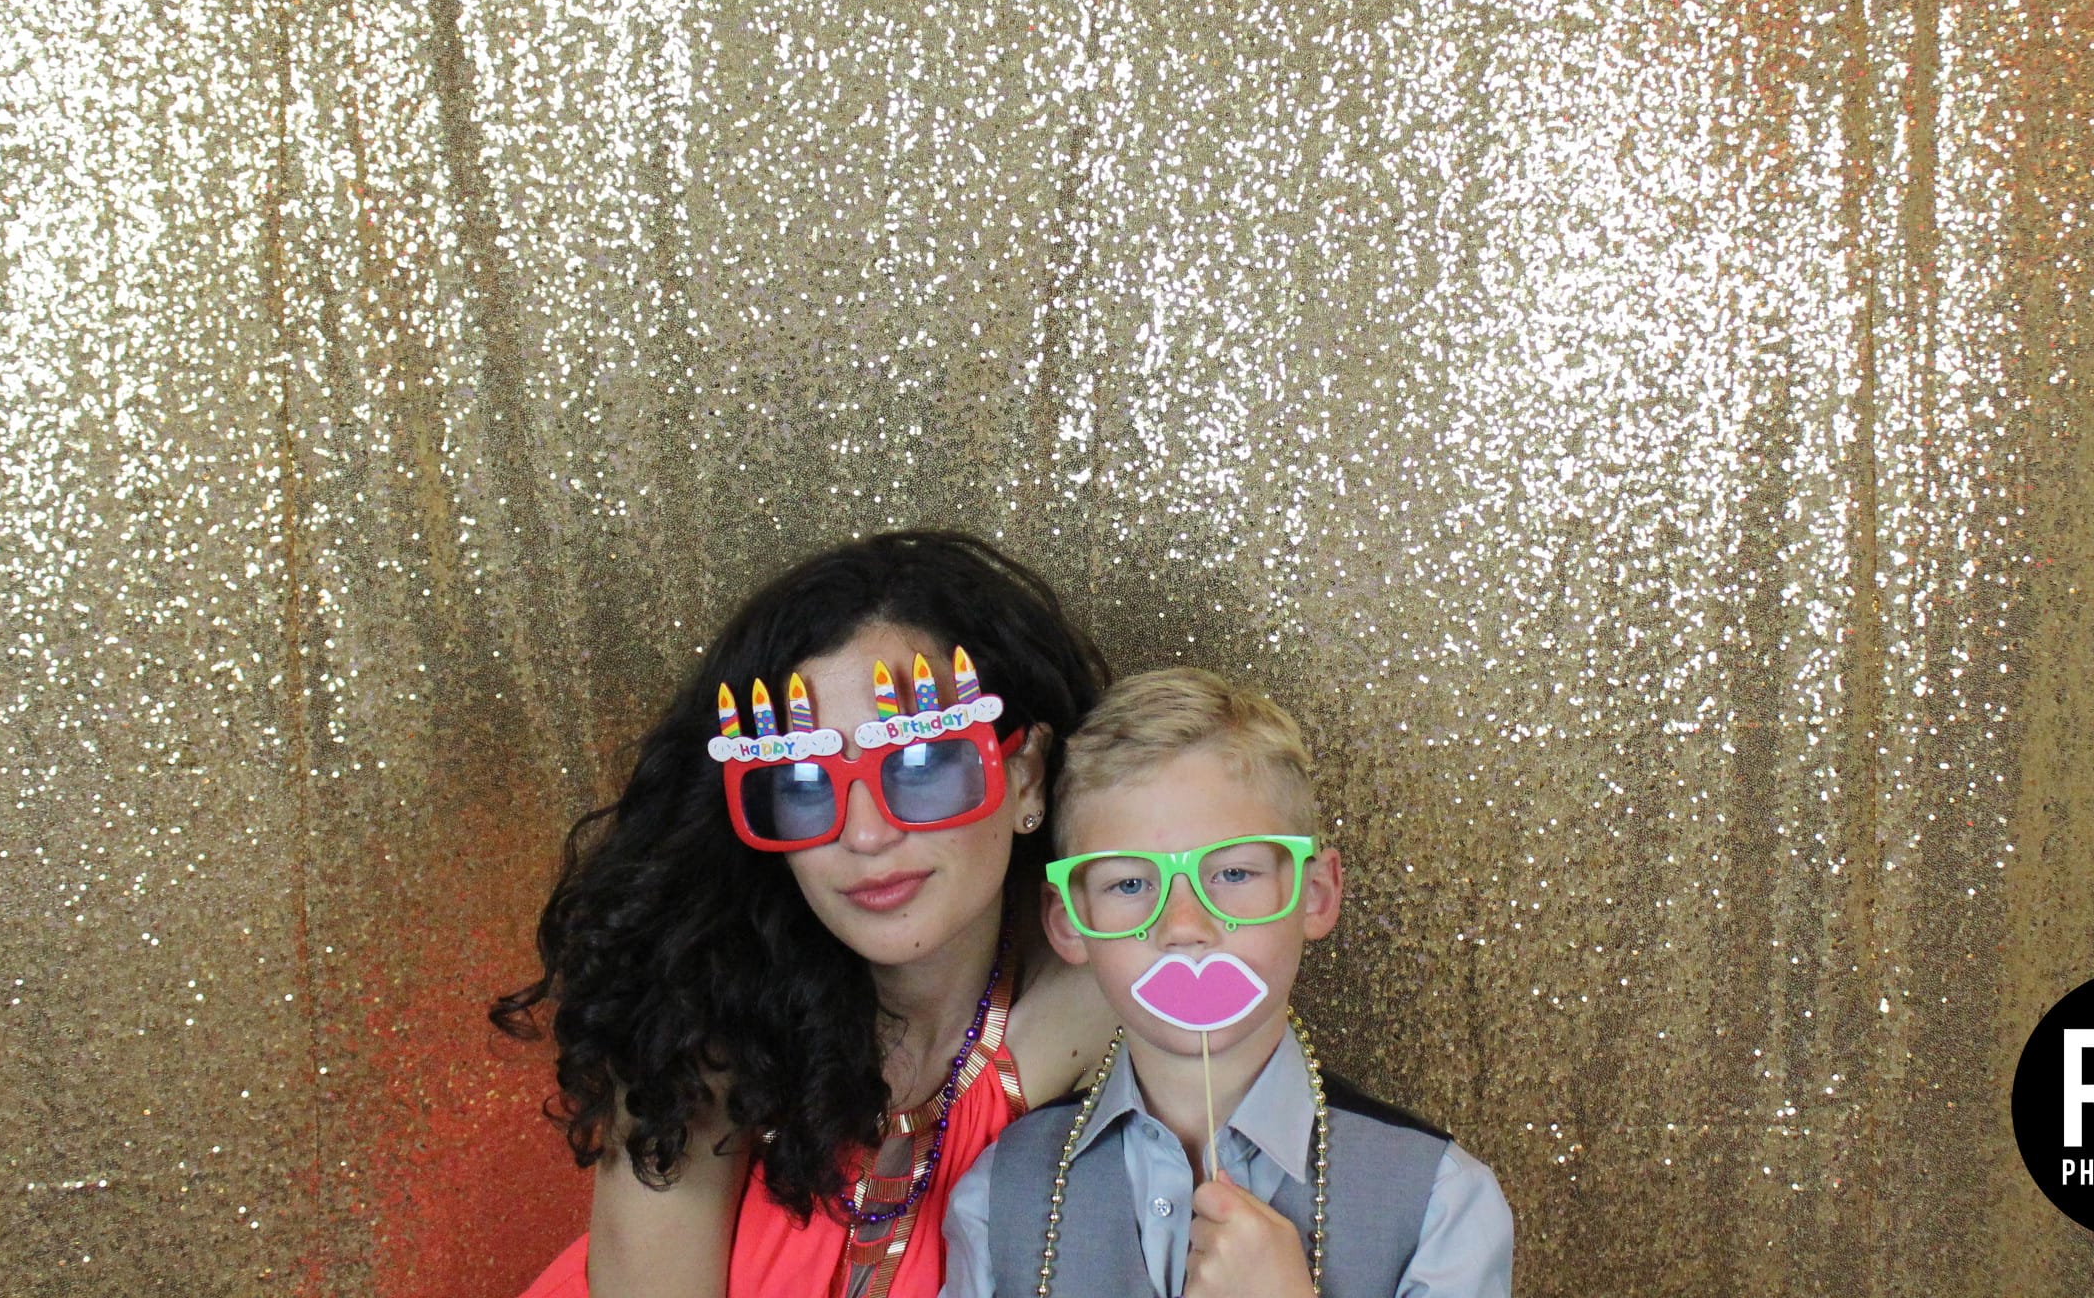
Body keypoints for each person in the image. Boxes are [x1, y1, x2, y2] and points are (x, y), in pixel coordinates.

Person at [495, 530, 1117, 1298]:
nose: (865, 834)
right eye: (803, 782)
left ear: (1025, 776)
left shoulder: (1112, 987)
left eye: (921, 764)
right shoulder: (699, 1011)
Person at [941, 668, 1515, 1298]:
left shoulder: (1441, 1203)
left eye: (1234, 874)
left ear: (1316, 894)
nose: (1185, 927)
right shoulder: (998, 1197)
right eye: (1129, 884)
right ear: (1069, 922)